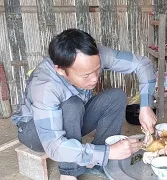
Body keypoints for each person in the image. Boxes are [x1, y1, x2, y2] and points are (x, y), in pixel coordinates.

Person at [11, 29, 157, 180]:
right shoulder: (45, 86)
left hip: (73, 118)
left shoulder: (93, 55)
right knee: (72, 105)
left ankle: (99, 163)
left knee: (116, 97)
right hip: (34, 131)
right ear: (60, 70)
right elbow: (54, 147)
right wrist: (109, 152)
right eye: (86, 75)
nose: (94, 79)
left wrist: (145, 106)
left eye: (97, 70)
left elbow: (142, 64)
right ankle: (69, 173)